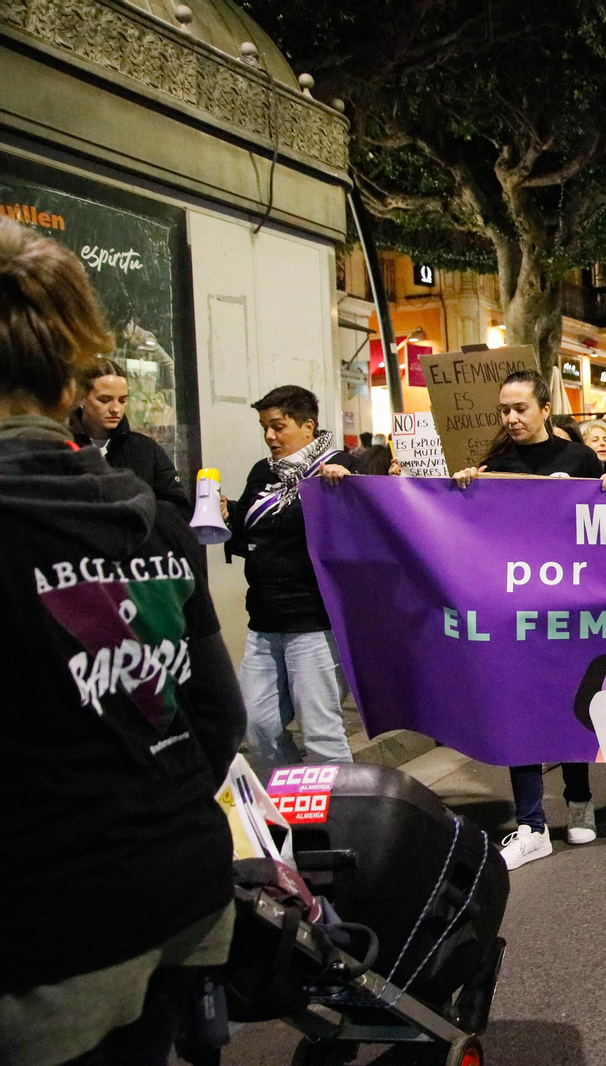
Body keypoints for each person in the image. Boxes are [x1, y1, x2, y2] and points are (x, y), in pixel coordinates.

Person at [0, 216, 246, 1066]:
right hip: (181, 889)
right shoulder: (149, 519)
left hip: (48, 943)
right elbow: (218, 719)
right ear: (70, 380)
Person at [453, 371, 604, 869]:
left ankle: (579, 802)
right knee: (521, 709)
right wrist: (465, 492)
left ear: (544, 408)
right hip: (518, 611)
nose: (511, 418)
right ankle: (531, 823)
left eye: (520, 408)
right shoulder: (496, 465)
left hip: (572, 606)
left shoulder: (577, 458)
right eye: (504, 410)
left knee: (573, 702)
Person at [225, 385, 357, 770]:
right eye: (265, 427)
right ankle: (291, 808)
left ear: (308, 427)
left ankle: (343, 818)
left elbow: (364, 531)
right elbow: (252, 530)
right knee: (256, 725)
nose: (269, 436)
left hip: (313, 622)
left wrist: (348, 488)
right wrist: (226, 513)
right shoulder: (262, 472)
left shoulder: (337, 469)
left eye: (278, 427)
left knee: (320, 733)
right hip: (264, 619)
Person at [68, 357, 189, 509]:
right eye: (105, 400)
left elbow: (178, 508)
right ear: (81, 397)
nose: (115, 409)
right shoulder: (61, 447)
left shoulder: (145, 450)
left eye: (122, 400)